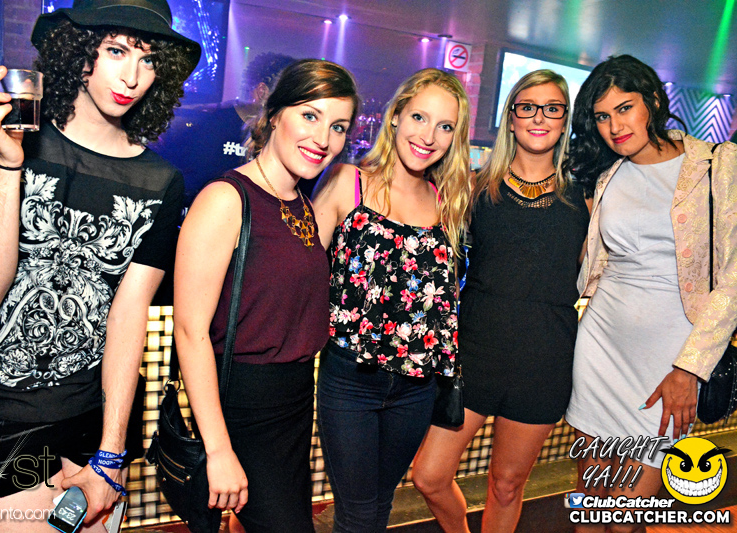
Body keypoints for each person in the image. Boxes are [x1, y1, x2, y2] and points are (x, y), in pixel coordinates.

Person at [0, 0, 199, 529]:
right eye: (116, 51)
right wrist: (8, 161)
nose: (132, 76)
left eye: (148, 59)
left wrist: (110, 452)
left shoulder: (161, 181)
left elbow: (127, 317)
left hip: (95, 423)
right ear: (77, 50)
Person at [173, 59, 359, 533]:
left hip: (293, 402)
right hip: (243, 406)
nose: (323, 138)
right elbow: (190, 332)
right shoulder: (226, 198)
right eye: (310, 115)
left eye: (338, 126)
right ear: (274, 115)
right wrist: (218, 449)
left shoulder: (301, 204)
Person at [410, 70, 588, 533]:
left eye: (552, 108)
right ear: (510, 117)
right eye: (527, 107)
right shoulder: (473, 188)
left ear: (565, 120)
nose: (539, 118)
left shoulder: (586, 199)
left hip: (544, 359)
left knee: (507, 485)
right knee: (429, 475)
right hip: (474, 353)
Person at [564, 55, 737, 533]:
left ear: (654, 102)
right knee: (590, 502)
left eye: (625, 108)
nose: (615, 126)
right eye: (602, 116)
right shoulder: (607, 174)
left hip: (671, 361)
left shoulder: (716, 164)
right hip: (600, 349)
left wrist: (690, 368)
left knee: (625, 515)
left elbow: (733, 278)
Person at [312, 68, 471, 532]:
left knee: (379, 507)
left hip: (416, 388)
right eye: (419, 117)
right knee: (359, 514)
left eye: (445, 126)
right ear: (396, 115)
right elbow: (302, 272)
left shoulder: (448, 202)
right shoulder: (348, 181)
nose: (429, 136)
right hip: (351, 380)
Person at [153, 52, 296, 207]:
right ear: (262, 92)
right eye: (287, 96)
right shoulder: (213, 123)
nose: (292, 104)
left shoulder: (282, 136)